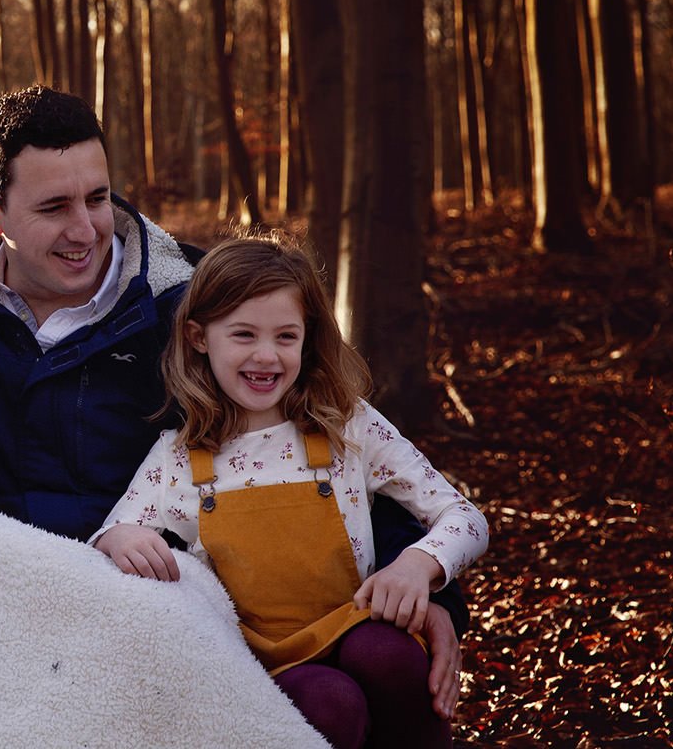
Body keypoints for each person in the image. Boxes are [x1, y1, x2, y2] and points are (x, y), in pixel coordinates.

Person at [0, 85, 468, 717]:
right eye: (54, 207)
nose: (85, 228)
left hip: (156, 619)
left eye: (97, 197)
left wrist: (430, 590)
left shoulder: (199, 308)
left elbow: (332, 448)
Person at [92, 235, 488, 748]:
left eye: (285, 336)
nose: (266, 355)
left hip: (356, 625)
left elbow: (465, 518)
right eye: (243, 334)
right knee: (330, 700)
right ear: (198, 337)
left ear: (308, 337)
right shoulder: (179, 459)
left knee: (385, 652)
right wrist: (118, 540)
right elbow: (110, 537)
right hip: (263, 667)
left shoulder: (349, 429)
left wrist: (418, 563)